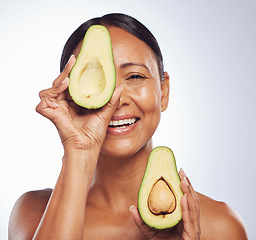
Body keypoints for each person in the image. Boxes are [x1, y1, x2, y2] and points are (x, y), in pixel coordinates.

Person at [8, 13, 248, 240]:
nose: (117, 98)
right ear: (70, 93)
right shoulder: (33, 213)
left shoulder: (220, 226)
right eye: (93, 79)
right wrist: (79, 151)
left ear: (164, 92)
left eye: (135, 76)